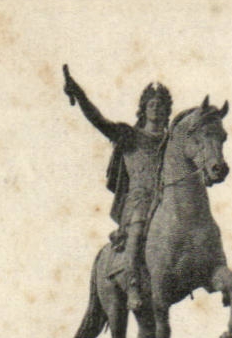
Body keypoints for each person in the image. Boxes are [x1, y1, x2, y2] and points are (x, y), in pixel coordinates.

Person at [62, 65, 173, 310]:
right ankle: (132, 284)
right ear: (144, 109)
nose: (156, 108)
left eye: (161, 105)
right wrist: (78, 93)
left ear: (167, 111)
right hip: (139, 201)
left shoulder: (172, 141)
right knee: (137, 229)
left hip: (167, 199)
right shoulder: (129, 135)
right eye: (151, 104)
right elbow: (98, 121)